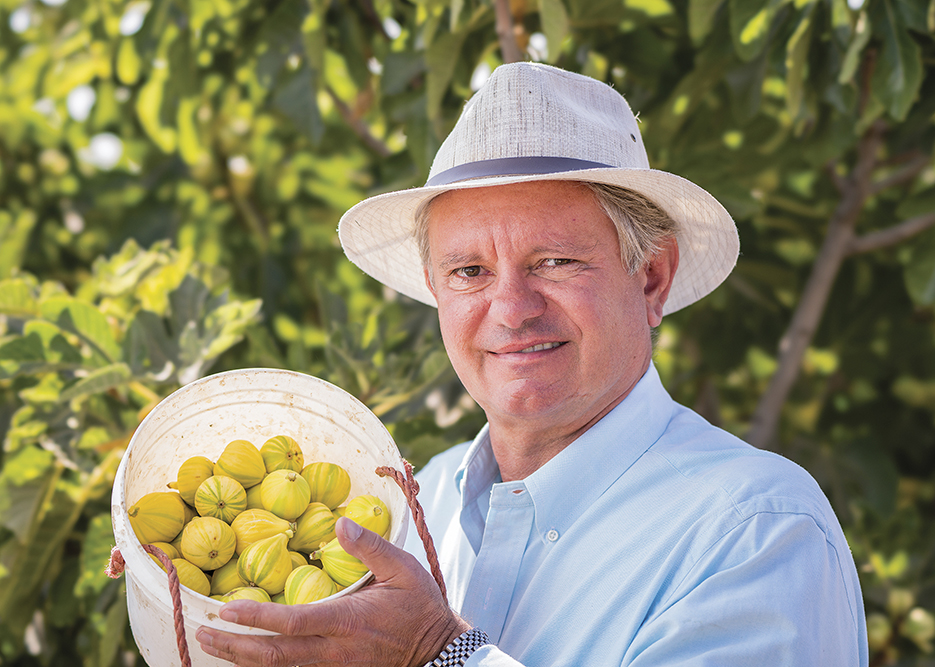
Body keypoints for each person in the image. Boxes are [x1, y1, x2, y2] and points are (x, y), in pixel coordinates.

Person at [196, 62, 867, 666]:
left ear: (652, 279)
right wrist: (200, 604)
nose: (511, 309)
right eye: (469, 271)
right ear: (436, 291)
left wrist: (439, 655)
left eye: (555, 262)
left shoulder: (755, 528)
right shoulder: (411, 505)